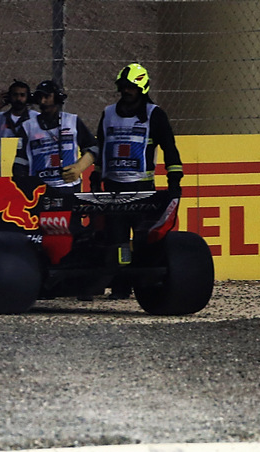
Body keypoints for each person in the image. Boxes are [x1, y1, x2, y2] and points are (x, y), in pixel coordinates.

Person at [91, 63, 184, 296]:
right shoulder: (108, 113)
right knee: (117, 240)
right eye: (123, 86)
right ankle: (121, 285)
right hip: (113, 187)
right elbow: (101, 147)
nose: (126, 91)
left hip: (142, 188)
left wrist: (174, 181)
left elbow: (170, 149)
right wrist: (95, 176)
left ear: (142, 88)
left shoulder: (154, 115)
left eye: (131, 87)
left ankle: (143, 283)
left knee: (143, 239)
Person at [11, 79, 96, 191]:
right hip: (39, 190)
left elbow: (94, 148)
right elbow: (20, 163)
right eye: (40, 97)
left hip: (69, 187)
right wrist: (26, 186)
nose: (42, 101)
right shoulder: (28, 127)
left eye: (47, 96)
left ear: (56, 98)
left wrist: (79, 167)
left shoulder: (72, 121)